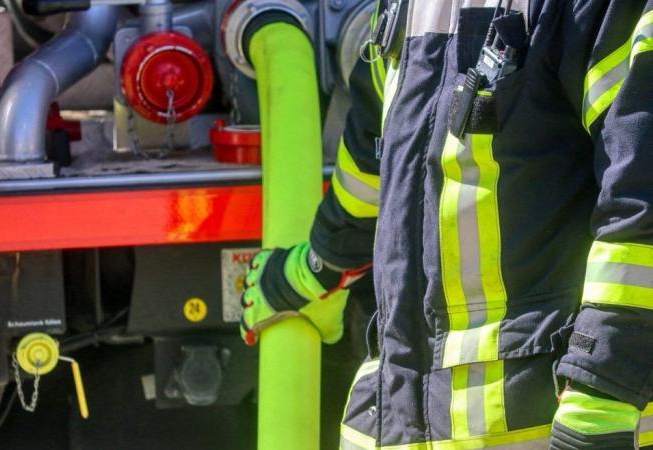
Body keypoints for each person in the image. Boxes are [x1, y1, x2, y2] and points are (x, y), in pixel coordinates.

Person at [241, 0, 653, 448]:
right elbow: (376, 161)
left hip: (542, 422)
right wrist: (313, 271)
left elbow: (639, 196)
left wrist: (602, 394)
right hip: (399, 421)